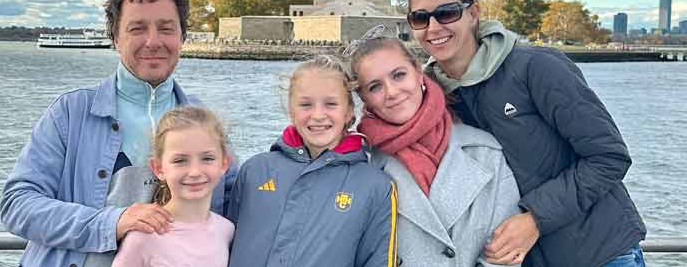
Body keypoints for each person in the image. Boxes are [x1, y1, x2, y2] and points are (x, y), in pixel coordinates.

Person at [405, 0, 646, 267]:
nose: (434, 27)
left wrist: (535, 218)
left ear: (474, 14)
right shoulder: (432, 100)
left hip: (599, 254)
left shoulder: (537, 67)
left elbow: (608, 158)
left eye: (447, 12)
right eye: (420, 17)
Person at [0, 0, 237, 267]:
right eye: (137, 29)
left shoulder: (206, 123)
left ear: (182, 36)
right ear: (115, 37)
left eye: (166, 28)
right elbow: (17, 205)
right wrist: (112, 222)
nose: (153, 41)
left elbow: (239, 206)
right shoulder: (70, 113)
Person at [346, 28, 521, 267]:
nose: (392, 92)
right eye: (375, 87)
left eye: (398, 75)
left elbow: (504, 254)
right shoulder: (358, 164)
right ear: (364, 98)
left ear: (418, 73)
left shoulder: (485, 150)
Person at [227, 55, 397, 267]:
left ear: (349, 111)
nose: (318, 115)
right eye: (306, 104)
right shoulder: (255, 170)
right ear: (291, 110)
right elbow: (218, 240)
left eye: (331, 104)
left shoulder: (376, 187)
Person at [112, 106, 234, 267]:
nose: (195, 171)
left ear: (224, 164)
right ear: (158, 168)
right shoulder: (143, 237)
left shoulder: (226, 230)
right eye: (180, 161)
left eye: (207, 158)